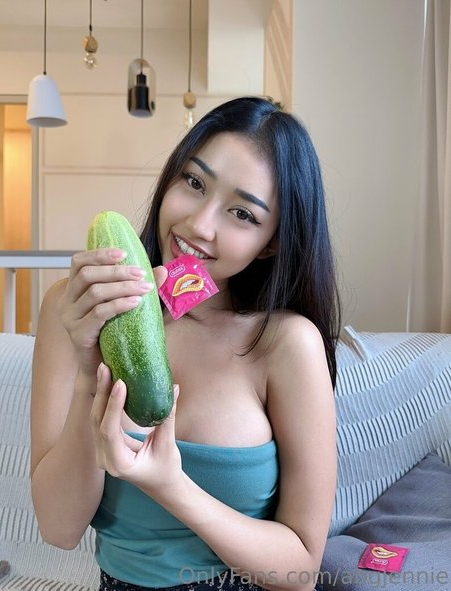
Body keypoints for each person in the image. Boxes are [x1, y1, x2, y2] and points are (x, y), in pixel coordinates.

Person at [30, 96, 340, 591]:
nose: (199, 224)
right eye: (194, 183)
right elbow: (58, 529)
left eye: (242, 213)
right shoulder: (74, 309)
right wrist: (91, 373)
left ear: (273, 241)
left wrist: (170, 486)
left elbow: (301, 571)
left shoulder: (286, 343)